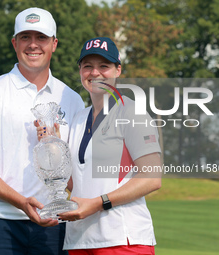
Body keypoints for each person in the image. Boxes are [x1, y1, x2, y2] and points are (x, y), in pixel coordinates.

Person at [0, 7, 84, 255]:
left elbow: (77, 173)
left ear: (54, 44)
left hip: (54, 224)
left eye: (41, 38)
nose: (33, 45)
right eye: (25, 37)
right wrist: (21, 202)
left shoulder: (72, 99)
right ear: (15, 43)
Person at [37, 37, 162, 254]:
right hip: (80, 240)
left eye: (104, 66)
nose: (95, 73)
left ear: (118, 70)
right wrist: (51, 147)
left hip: (123, 239)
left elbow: (152, 178)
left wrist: (97, 203)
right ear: (80, 71)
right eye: (88, 66)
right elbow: (76, 183)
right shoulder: (77, 119)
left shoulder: (132, 112)